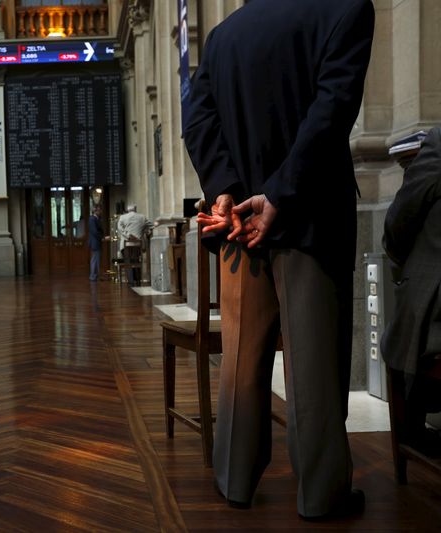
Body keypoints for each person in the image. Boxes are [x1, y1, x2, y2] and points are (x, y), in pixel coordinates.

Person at [182, 0, 374, 520]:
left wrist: (226, 190)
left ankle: (234, 478)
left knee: (240, 362)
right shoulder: (346, 10)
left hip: (239, 229)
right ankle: (321, 496)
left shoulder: (224, 35)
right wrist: (280, 194)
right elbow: (331, 110)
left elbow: (196, 119)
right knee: (313, 370)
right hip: (309, 218)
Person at [381, 127, 441, 456]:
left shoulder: (438, 144)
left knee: (404, 329)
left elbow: (398, 225)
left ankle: (412, 431)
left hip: (435, 317)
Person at [117, 204, 150, 285]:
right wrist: (146, 231)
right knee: (137, 261)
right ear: (135, 210)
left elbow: (120, 229)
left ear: (128, 210)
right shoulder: (142, 217)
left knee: (128, 262)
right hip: (138, 244)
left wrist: (128, 235)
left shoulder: (123, 217)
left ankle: (131, 282)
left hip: (126, 244)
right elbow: (151, 226)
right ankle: (138, 280)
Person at [88, 204, 105, 282]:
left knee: (96, 259)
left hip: (96, 242)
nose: (101, 211)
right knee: (95, 260)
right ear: (95, 211)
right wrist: (103, 238)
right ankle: (93, 276)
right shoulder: (92, 219)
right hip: (95, 242)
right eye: (99, 210)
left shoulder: (97, 218)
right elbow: (94, 231)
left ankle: (95, 276)